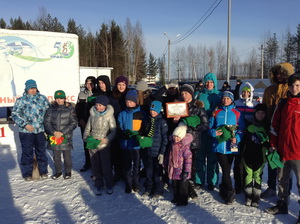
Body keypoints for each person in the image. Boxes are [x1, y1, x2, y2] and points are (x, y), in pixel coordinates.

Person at [265, 74, 300, 223]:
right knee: (282, 180)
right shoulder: (282, 104)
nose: (294, 88)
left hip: (298, 152)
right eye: (292, 85)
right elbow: (274, 126)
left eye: (298, 85)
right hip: (282, 150)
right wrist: (273, 144)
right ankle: (282, 204)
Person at [261, 62, 294, 198]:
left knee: (287, 163)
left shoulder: (292, 89)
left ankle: (286, 190)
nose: (279, 75)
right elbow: (263, 109)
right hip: (271, 130)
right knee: (272, 160)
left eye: (282, 73)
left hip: (288, 132)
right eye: (277, 73)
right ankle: (271, 187)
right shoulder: (269, 90)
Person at [208, 91, 245, 204]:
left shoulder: (237, 113)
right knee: (225, 169)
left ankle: (223, 188)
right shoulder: (216, 112)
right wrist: (214, 133)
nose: (225, 100)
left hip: (231, 146)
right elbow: (209, 127)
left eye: (227, 99)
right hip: (219, 146)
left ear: (232, 100)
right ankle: (229, 192)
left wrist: (237, 139)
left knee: (227, 169)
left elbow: (241, 129)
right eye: (223, 98)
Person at [12, 79, 50, 181]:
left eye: (34, 88)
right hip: (26, 132)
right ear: (26, 89)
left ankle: (43, 171)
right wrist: (25, 125)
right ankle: (27, 173)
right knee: (27, 152)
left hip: (40, 131)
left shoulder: (43, 99)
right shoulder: (21, 100)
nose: (32, 90)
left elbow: (49, 112)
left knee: (41, 152)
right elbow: (14, 114)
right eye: (30, 88)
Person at [176, 84, 209, 198]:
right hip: (180, 141)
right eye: (182, 93)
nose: (184, 95)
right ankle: (182, 186)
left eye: (186, 93)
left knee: (192, 165)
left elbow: (205, 124)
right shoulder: (177, 106)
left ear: (191, 94)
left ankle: (190, 185)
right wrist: (174, 120)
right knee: (180, 164)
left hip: (193, 141)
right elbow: (173, 125)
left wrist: (194, 125)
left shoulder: (198, 107)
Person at [83, 95, 116, 195]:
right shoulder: (92, 115)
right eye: (97, 105)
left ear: (105, 106)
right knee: (95, 166)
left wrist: (106, 140)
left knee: (106, 165)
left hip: (104, 145)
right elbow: (87, 129)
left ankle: (109, 184)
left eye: (100, 105)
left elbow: (113, 131)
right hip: (93, 144)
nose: (98, 107)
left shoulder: (109, 116)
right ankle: (99, 184)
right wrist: (87, 138)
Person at [195, 73, 221, 191]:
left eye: (211, 82)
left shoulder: (219, 96)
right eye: (207, 82)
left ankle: (212, 181)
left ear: (214, 83)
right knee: (200, 156)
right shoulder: (199, 95)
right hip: (201, 131)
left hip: (213, 130)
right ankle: (199, 180)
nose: (209, 84)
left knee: (212, 158)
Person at [44, 90, 78, 180]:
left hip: (65, 136)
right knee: (56, 156)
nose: (59, 100)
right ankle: (58, 171)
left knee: (67, 156)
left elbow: (74, 123)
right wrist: (53, 132)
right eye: (57, 98)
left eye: (61, 98)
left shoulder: (70, 109)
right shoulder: (50, 110)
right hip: (54, 136)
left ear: (64, 99)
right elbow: (47, 123)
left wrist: (62, 132)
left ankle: (68, 172)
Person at [118, 89, 145, 193]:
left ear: (136, 102)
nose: (129, 103)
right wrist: (123, 133)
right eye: (127, 101)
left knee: (137, 165)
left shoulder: (140, 113)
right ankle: (128, 184)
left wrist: (139, 134)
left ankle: (136, 183)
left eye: (131, 101)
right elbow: (119, 126)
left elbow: (143, 128)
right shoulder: (122, 114)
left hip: (136, 145)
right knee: (127, 165)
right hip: (125, 144)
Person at [243, 104, 269, 208]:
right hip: (248, 154)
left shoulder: (267, 126)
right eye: (258, 112)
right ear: (255, 113)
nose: (260, 114)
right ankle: (248, 195)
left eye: (262, 113)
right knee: (248, 174)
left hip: (260, 155)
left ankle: (256, 196)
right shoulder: (249, 125)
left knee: (257, 175)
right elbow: (244, 139)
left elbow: (269, 141)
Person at [233, 81, 258, 193]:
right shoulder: (235, 103)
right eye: (243, 92)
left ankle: (246, 183)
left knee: (246, 159)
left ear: (250, 93)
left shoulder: (254, 104)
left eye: (247, 92)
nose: (245, 94)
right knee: (237, 160)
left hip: (249, 134)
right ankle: (238, 184)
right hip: (237, 134)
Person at [141, 100, 168, 197]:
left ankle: (158, 189)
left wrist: (162, 153)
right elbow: (144, 133)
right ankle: (148, 188)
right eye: (151, 110)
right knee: (149, 172)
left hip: (157, 153)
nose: (152, 112)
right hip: (148, 151)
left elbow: (165, 139)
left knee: (158, 173)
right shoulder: (147, 120)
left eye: (155, 110)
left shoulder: (162, 122)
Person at [168, 124, 193, 206]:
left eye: (178, 137)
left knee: (182, 186)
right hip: (174, 168)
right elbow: (170, 156)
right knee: (175, 185)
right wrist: (166, 163)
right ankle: (176, 197)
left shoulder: (185, 147)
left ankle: (183, 200)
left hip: (182, 170)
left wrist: (186, 171)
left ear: (182, 137)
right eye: (174, 136)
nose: (176, 138)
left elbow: (188, 160)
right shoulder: (172, 144)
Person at [75, 76, 96, 172]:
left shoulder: (97, 94)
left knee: (94, 143)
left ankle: (95, 163)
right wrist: (80, 120)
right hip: (83, 123)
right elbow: (77, 109)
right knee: (86, 143)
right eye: (87, 83)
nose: (89, 85)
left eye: (91, 83)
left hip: (95, 123)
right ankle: (88, 163)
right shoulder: (81, 94)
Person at [111, 75, 129, 182]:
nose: (121, 87)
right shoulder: (112, 95)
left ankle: (126, 173)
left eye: (123, 84)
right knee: (115, 151)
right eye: (119, 84)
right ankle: (117, 172)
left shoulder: (129, 95)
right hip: (114, 125)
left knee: (125, 151)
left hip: (125, 125)